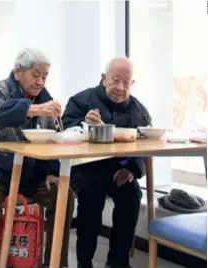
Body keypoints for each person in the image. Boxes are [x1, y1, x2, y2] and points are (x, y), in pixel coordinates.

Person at [0, 48, 73, 268]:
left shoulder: (44, 97)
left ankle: (55, 263)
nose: (40, 82)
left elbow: (53, 138)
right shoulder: (0, 90)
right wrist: (33, 109)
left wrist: (52, 171)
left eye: (44, 77)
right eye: (35, 75)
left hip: (31, 174)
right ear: (18, 72)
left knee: (64, 195)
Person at [62, 57, 151, 268]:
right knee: (92, 194)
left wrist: (132, 168)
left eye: (126, 82)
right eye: (115, 80)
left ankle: (118, 261)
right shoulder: (81, 101)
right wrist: (86, 126)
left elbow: (146, 141)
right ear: (104, 78)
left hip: (119, 168)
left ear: (132, 83)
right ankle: (85, 261)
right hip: (85, 167)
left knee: (132, 195)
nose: (120, 88)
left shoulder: (139, 110)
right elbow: (65, 131)